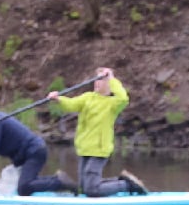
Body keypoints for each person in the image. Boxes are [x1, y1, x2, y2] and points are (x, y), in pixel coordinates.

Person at [46, 67, 149, 196]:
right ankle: (120, 181)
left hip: (99, 150)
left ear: (109, 84)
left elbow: (123, 98)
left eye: (101, 80)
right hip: (84, 148)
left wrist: (111, 78)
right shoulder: (87, 98)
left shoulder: (113, 103)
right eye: (96, 79)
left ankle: (126, 185)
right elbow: (71, 104)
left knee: (91, 190)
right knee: (84, 188)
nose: (97, 82)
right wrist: (58, 99)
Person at [0, 95, 77, 197]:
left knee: (23, 188)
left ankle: (59, 182)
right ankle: (57, 179)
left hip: (34, 152)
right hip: (29, 153)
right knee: (24, 183)